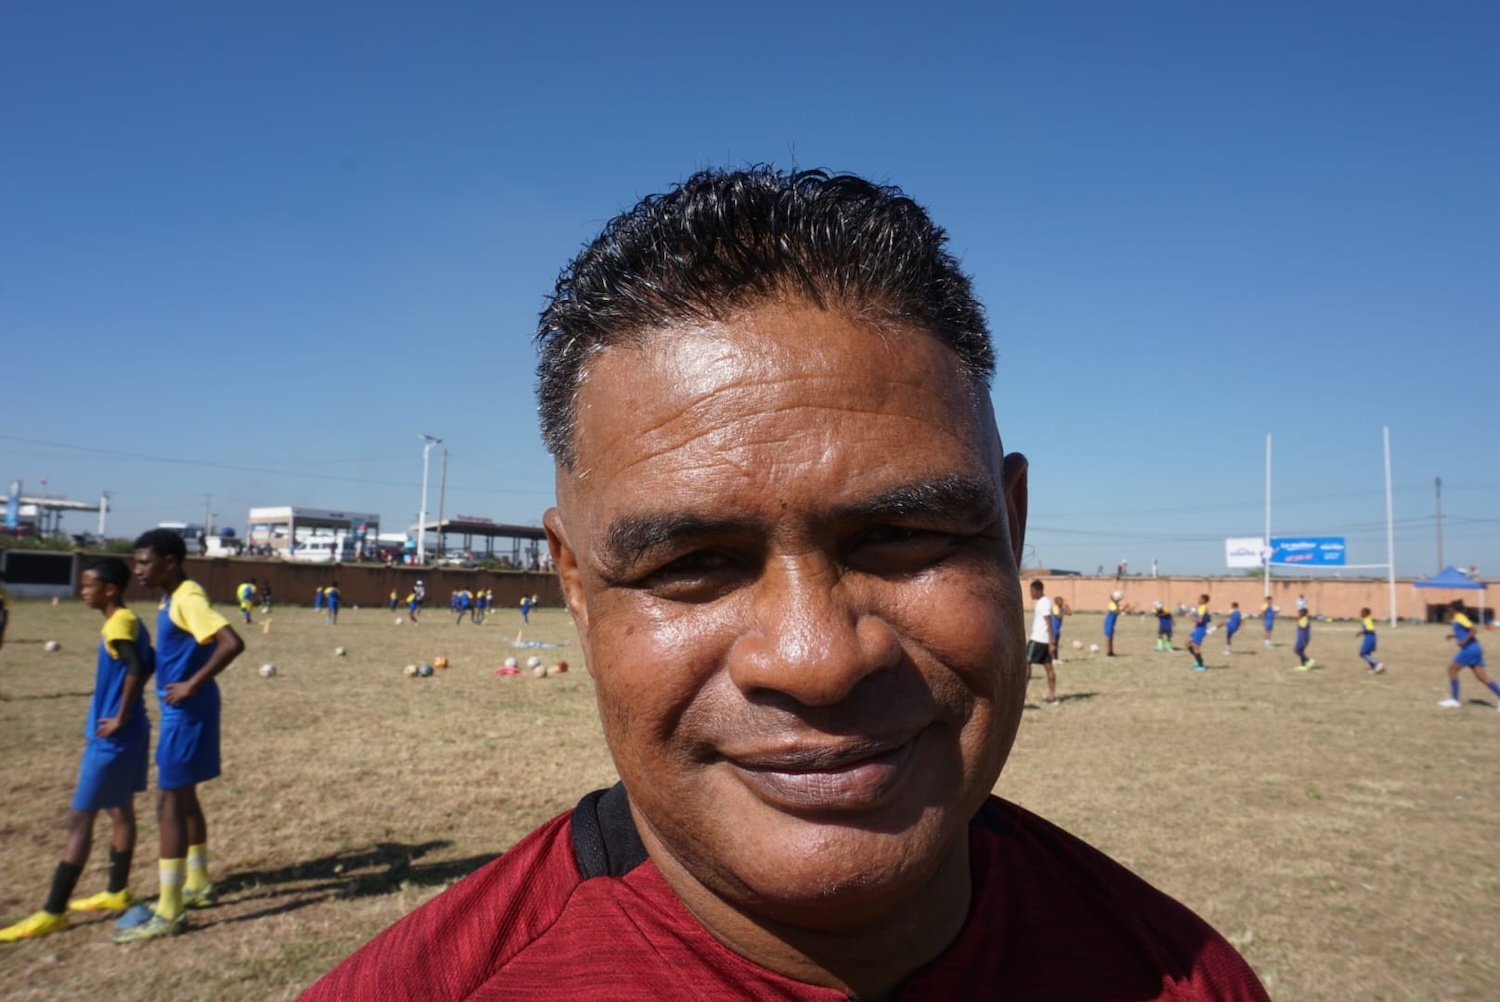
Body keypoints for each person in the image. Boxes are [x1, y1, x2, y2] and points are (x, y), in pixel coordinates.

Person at [302, 166, 1266, 999]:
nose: (814, 660)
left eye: (901, 535)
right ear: (580, 589)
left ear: (1010, 533)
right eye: (690, 564)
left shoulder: (1182, 978)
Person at [0, 558, 153, 942]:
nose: (82, 591)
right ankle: (117, 891)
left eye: (88, 586)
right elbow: (144, 664)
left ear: (110, 590)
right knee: (120, 809)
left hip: (114, 737)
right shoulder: (129, 620)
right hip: (130, 732)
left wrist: (119, 715)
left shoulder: (118, 622)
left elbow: (136, 667)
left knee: (79, 820)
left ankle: (53, 912)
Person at [117, 529, 245, 943]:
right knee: (184, 798)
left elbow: (231, 642)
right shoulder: (174, 596)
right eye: (135, 562)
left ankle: (170, 910)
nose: (137, 570)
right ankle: (199, 883)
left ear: (170, 562)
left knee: (168, 803)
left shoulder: (187, 598)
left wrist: (191, 683)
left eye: (145, 562)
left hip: (187, 713)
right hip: (188, 710)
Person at [1438, 599, 1497, 709]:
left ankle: (1455, 700)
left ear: (1453, 609)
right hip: (1475, 648)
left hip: (1470, 649)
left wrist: (1464, 641)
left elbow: (1473, 630)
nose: (1448, 610)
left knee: (1452, 670)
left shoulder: (1460, 617)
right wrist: (1453, 636)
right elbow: (1463, 631)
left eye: (1449, 608)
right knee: (1482, 677)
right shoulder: (1457, 618)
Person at [1028, 580, 1059, 705]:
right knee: (1048, 667)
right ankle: (1052, 697)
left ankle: (1021, 697)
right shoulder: (1042, 602)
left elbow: (1049, 622)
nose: (1031, 594)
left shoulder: (1044, 603)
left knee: (1025, 664)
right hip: (1044, 641)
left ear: (1039, 590)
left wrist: (1052, 642)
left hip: (1038, 640)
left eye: (1032, 591)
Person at [1355, 608, 1384, 674]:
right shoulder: (1365, 620)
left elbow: (1371, 629)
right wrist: (1361, 632)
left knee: (1363, 653)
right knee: (1367, 653)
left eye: (1362, 612)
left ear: (1366, 613)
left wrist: (1361, 632)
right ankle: (1374, 668)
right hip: (1369, 637)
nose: (1360, 614)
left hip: (1370, 638)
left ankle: (1377, 664)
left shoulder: (1367, 620)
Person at [1187, 594, 1211, 672]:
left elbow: (1200, 620)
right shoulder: (1201, 608)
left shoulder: (1202, 608)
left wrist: (1189, 618)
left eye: (1200, 599)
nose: (1198, 600)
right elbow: (1209, 620)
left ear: (1204, 601)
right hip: (1198, 628)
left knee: (1196, 647)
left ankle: (1201, 665)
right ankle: (1198, 660)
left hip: (1201, 629)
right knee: (1187, 643)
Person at [1103, 589, 1125, 656]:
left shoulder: (1116, 604)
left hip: (1112, 622)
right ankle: (1108, 652)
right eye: (1119, 598)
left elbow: (1120, 609)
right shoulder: (1112, 604)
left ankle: (1111, 651)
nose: (1120, 600)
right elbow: (1117, 612)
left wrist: (1127, 608)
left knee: (1111, 637)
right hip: (1108, 622)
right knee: (1108, 637)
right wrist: (1123, 608)